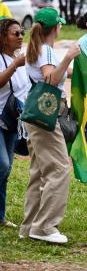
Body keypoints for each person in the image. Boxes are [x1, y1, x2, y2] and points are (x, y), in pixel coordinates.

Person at [20, 7, 81, 244]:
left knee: (39, 173)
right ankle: (45, 226)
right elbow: (51, 79)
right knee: (59, 170)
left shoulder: (38, 50)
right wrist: (69, 56)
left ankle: (29, 226)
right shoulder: (46, 51)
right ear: (56, 28)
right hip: (47, 118)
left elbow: (62, 73)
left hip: (35, 118)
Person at [0, 17, 29, 229]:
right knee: (1, 165)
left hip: (11, 121)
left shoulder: (19, 58)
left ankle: (0, 217)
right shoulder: (9, 60)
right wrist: (14, 66)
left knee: (7, 169)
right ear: (3, 37)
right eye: (15, 33)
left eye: (22, 33)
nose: (20, 37)